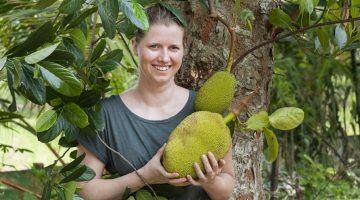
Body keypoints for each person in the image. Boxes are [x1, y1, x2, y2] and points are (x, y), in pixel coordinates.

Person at [76, 3, 235, 200]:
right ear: (135, 45)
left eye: (174, 48)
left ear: (183, 50)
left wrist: (210, 181)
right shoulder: (104, 114)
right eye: (154, 46)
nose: (164, 57)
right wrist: (145, 176)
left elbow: (226, 189)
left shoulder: (204, 109)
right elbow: (83, 189)